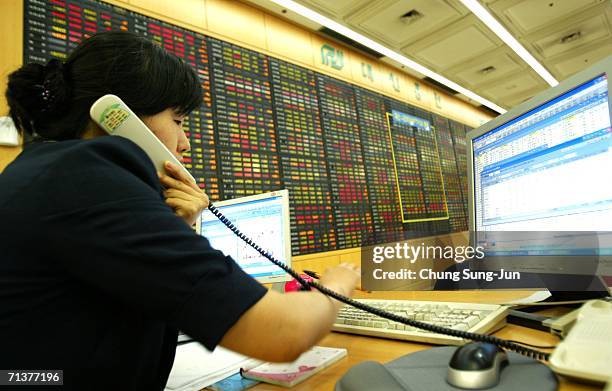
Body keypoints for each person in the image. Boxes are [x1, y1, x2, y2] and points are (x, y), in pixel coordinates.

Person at [0, 31, 359, 390]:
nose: (184, 144)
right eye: (178, 121)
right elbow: (285, 332)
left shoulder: (44, 171)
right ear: (116, 117)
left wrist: (175, 226)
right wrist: (335, 284)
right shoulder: (87, 176)